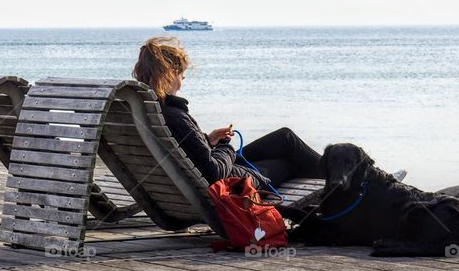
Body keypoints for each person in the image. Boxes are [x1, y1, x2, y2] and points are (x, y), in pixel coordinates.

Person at [132, 37, 322, 190]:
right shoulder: (175, 116)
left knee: (284, 137)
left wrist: (207, 140)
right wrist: (225, 147)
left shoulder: (149, 110)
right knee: (289, 162)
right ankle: (343, 184)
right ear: (170, 74)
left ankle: (341, 176)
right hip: (227, 183)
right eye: (182, 76)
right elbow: (213, 173)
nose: (183, 81)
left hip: (197, 175)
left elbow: (183, 149)